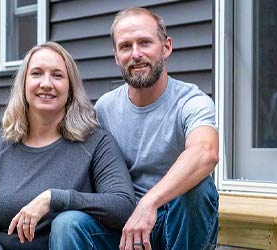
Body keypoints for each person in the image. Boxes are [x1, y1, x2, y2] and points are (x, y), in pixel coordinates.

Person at [0, 41, 135, 250]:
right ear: (23, 85)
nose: (46, 83)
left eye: (57, 75)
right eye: (37, 73)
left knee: (67, 222)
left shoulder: (96, 143)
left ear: (71, 89)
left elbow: (123, 206)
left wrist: (56, 198)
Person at [94, 7, 220, 250]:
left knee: (199, 187)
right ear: (116, 56)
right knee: (70, 223)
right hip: (125, 227)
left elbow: (206, 151)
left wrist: (148, 204)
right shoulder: (104, 109)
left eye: (145, 42)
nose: (136, 54)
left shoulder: (191, 101)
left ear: (166, 47)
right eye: (125, 46)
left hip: (180, 222)